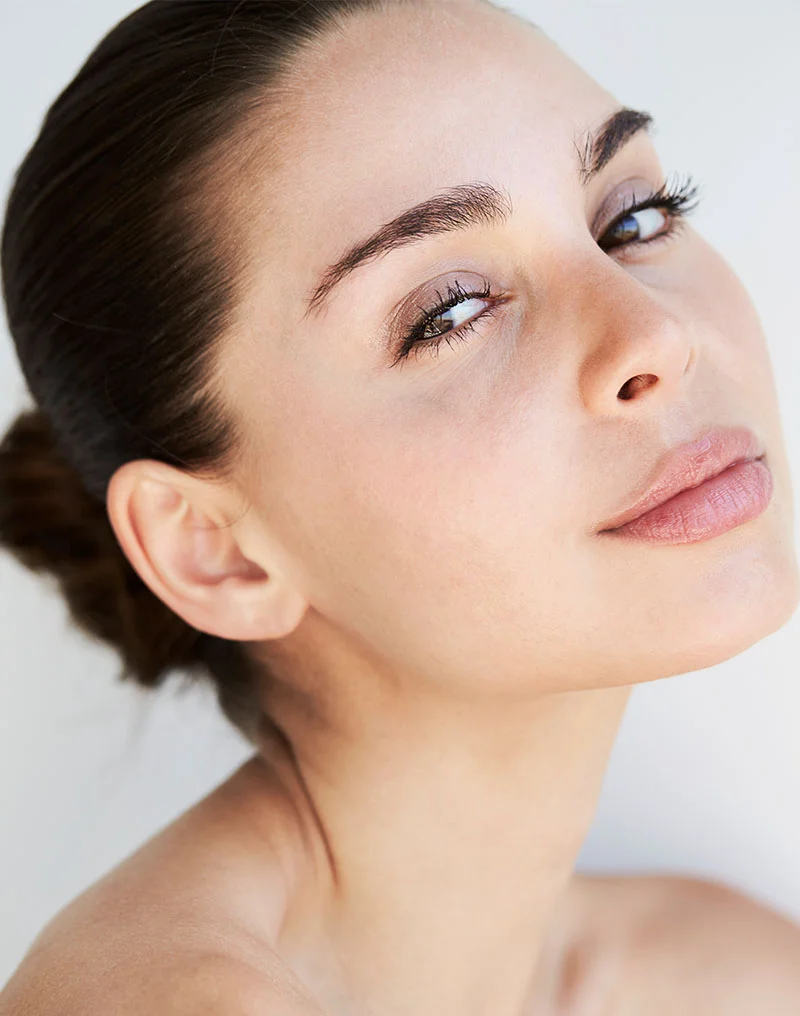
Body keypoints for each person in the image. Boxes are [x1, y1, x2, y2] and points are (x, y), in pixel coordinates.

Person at [1, 0, 799, 1012]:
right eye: (447, 312)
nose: (653, 335)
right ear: (216, 550)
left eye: (630, 218)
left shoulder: (731, 976)